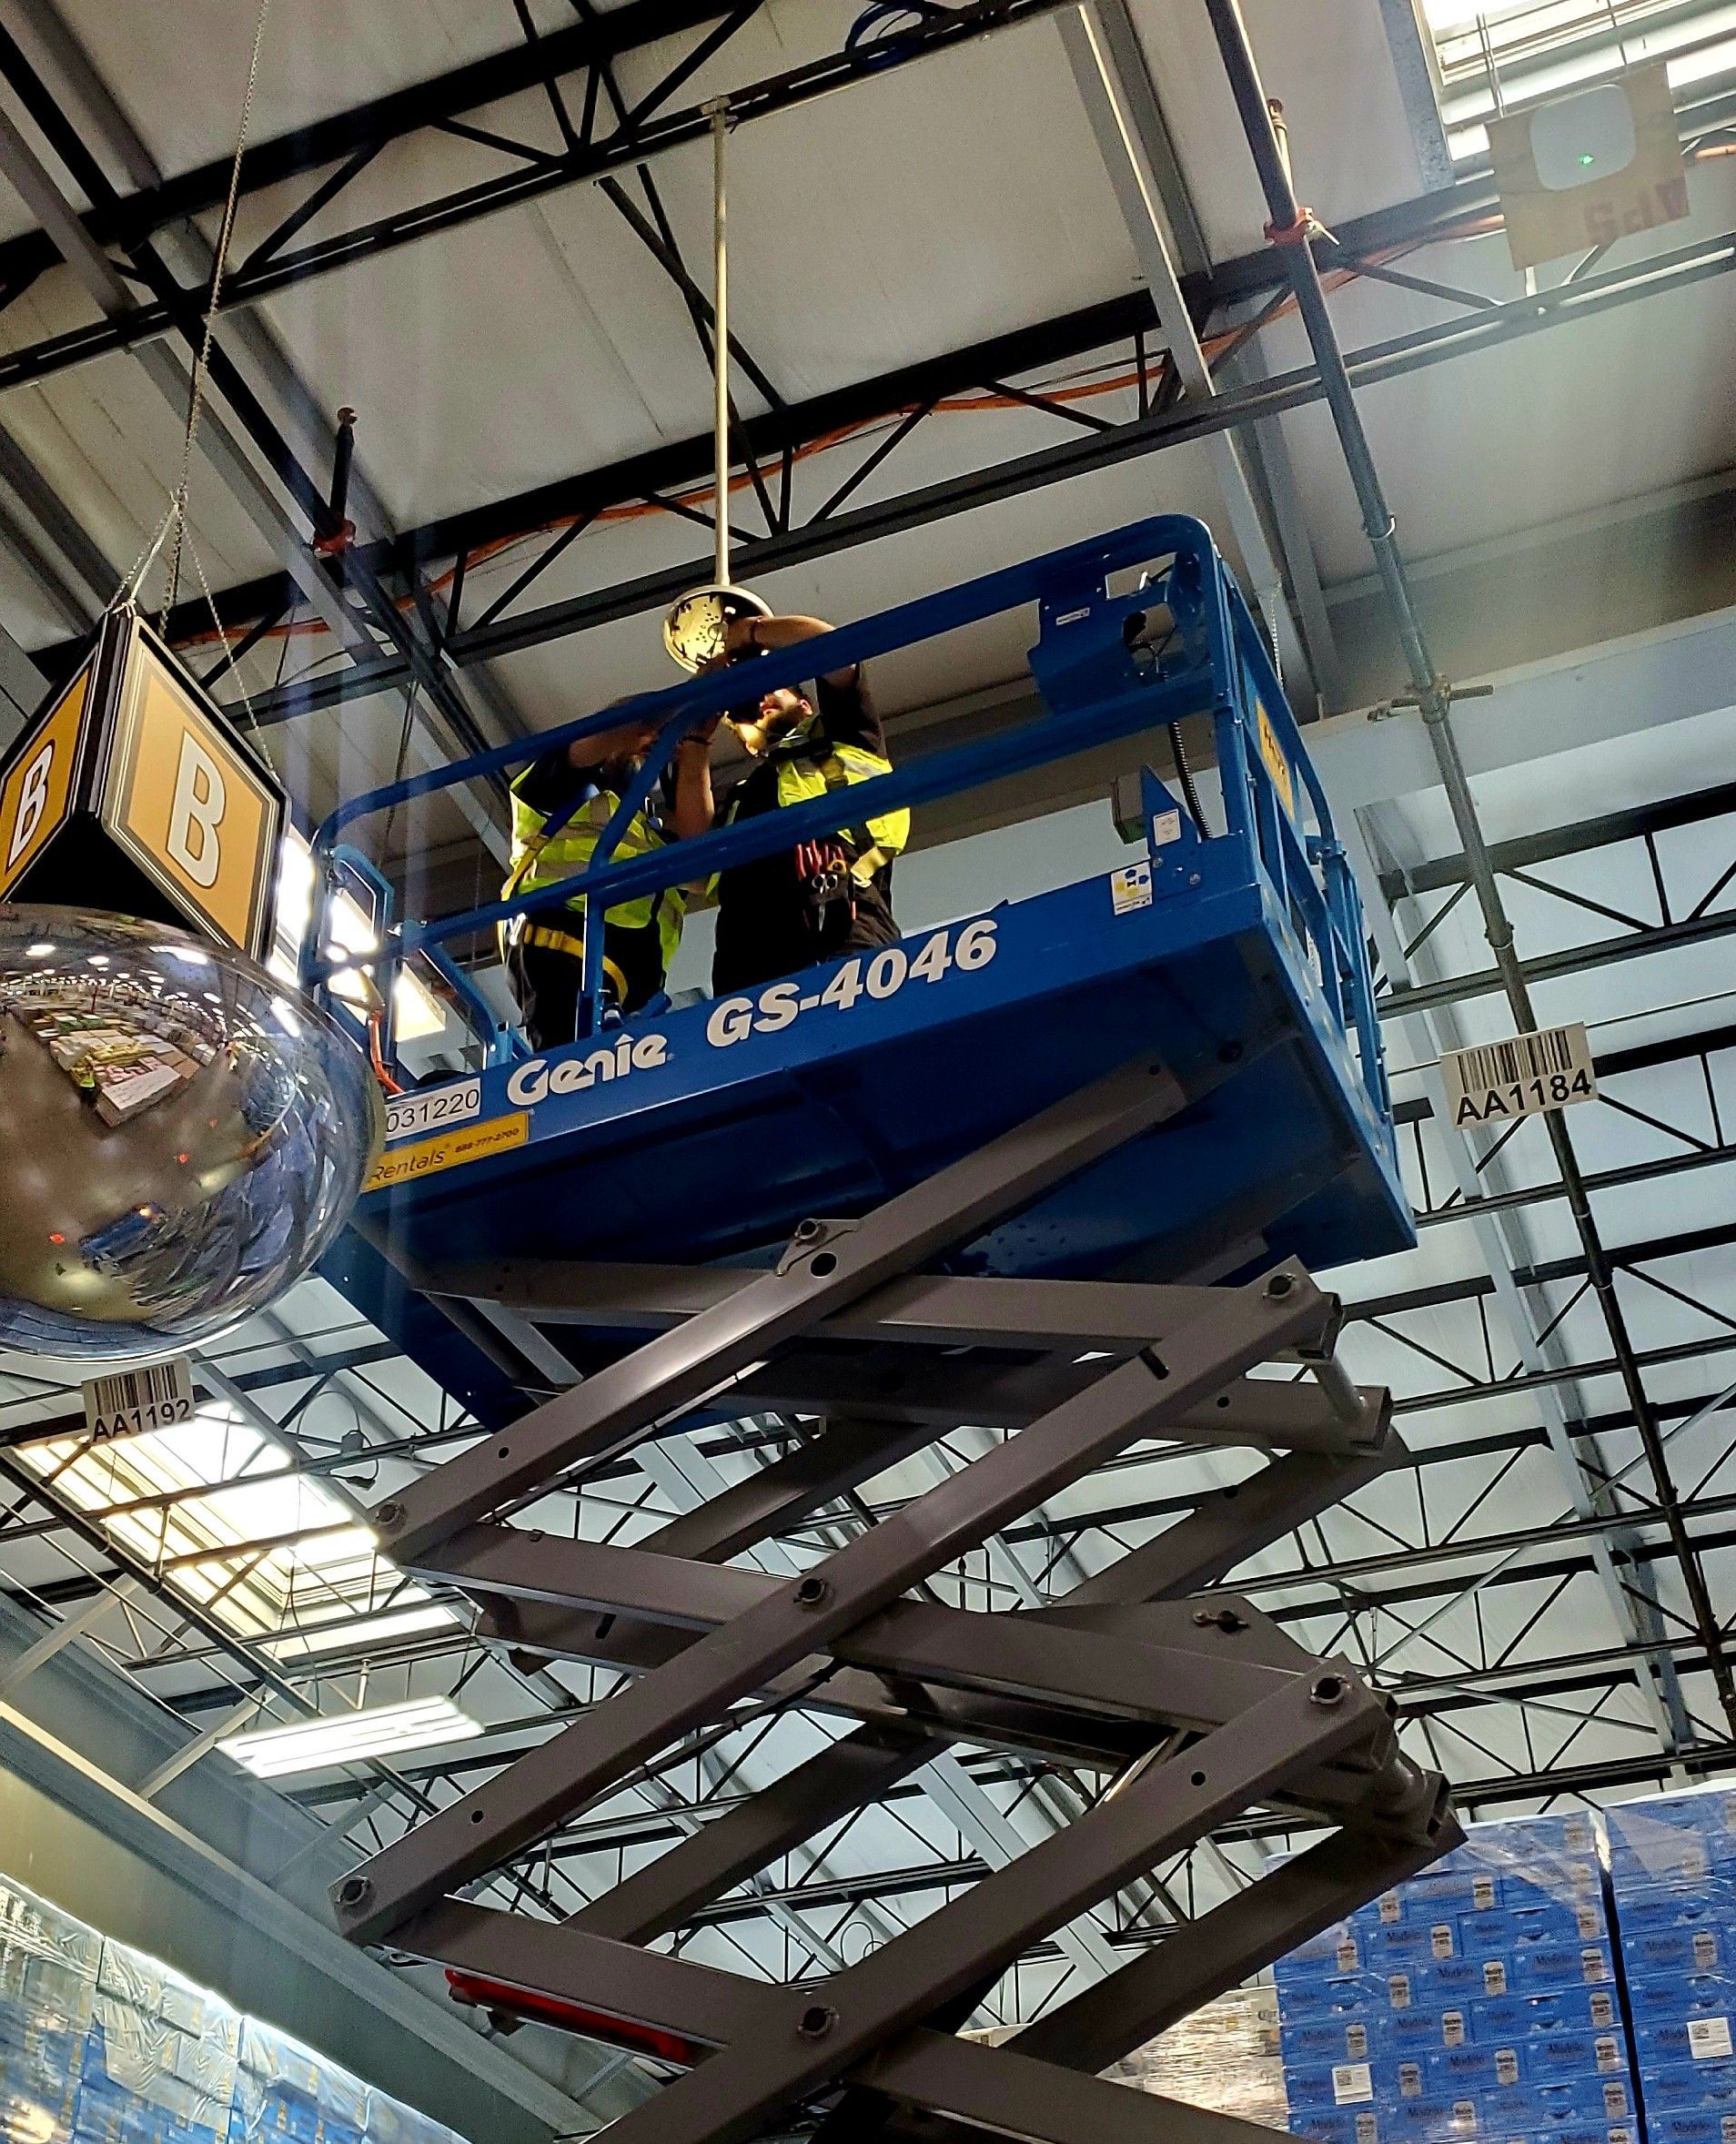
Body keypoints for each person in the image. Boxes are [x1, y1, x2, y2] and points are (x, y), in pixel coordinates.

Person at [710, 612, 908, 996]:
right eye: (746, 704)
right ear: (748, 743)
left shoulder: (849, 738)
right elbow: (693, 862)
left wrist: (751, 634)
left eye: (772, 686)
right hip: (746, 966)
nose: (760, 699)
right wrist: (696, 736)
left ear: (805, 705)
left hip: (843, 928)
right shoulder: (740, 797)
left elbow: (837, 649)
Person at [502, 706, 712, 1047]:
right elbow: (622, 720)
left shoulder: (650, 838)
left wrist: (696, 743)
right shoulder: (557, 790)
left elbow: (700, 862)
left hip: (632, 992)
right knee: (570, 1068)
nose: (653, 742)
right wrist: (693, 695)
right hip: (566, 953)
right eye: (643, 739)